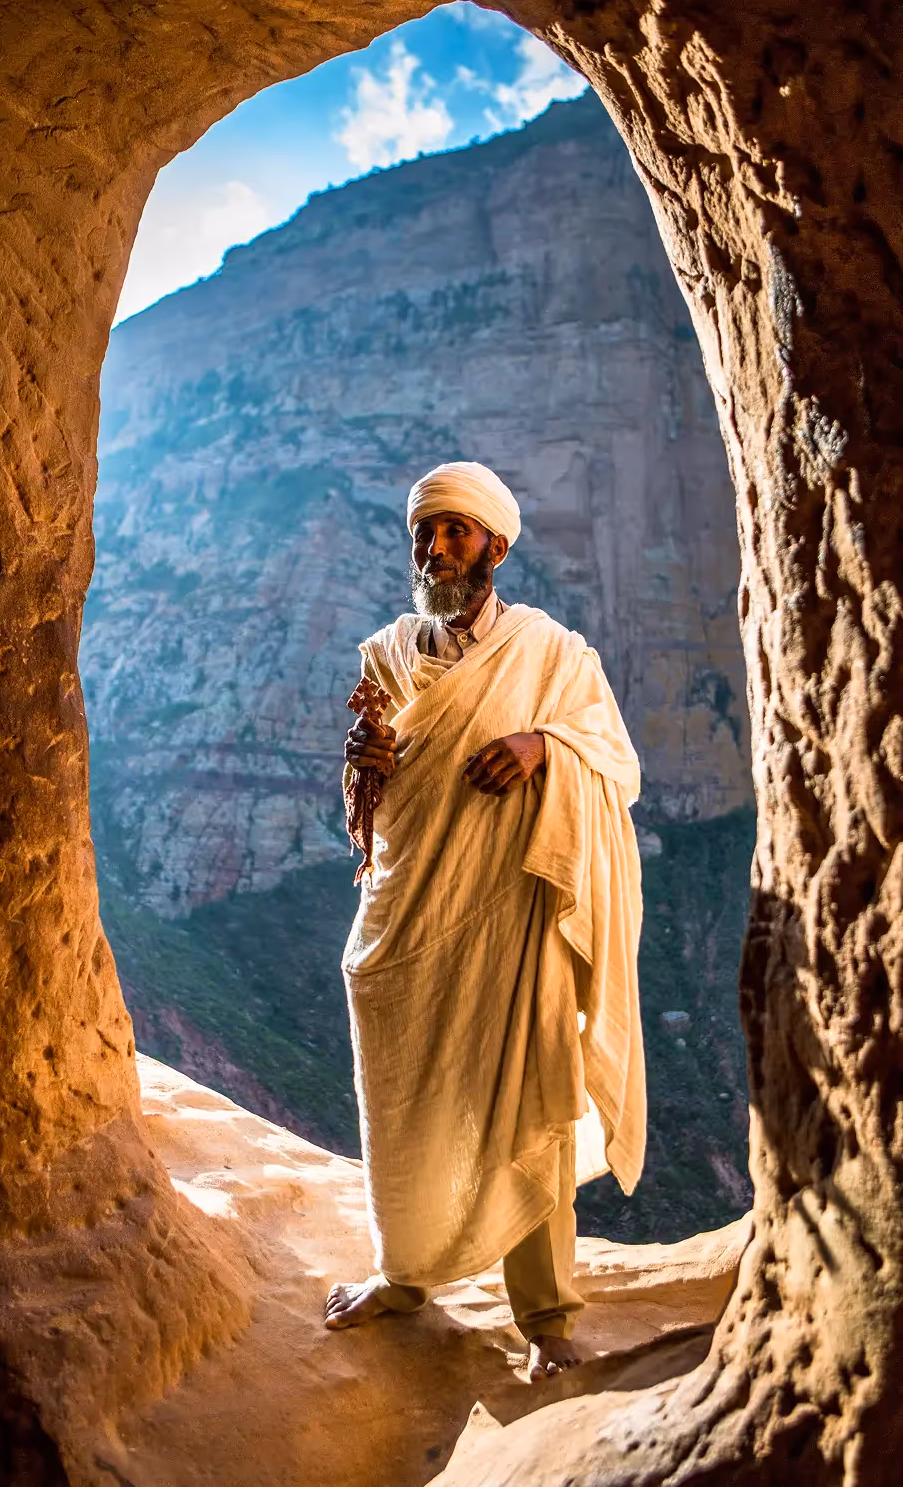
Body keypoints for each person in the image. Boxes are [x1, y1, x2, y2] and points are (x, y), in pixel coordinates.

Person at [325, 460, 645, 1381]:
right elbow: (370, 807)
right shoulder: (386, 653)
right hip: (410, 910)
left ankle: (545, 1317)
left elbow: (616, 766)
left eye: (456, 531)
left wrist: (542, 743)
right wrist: (364, 763)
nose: (435, 547)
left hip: (512, 917)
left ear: (496, 547)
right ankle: (404, 1273)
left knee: (528, 1099)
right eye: (425, 532)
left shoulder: (551, 653)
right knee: (403, 1098)